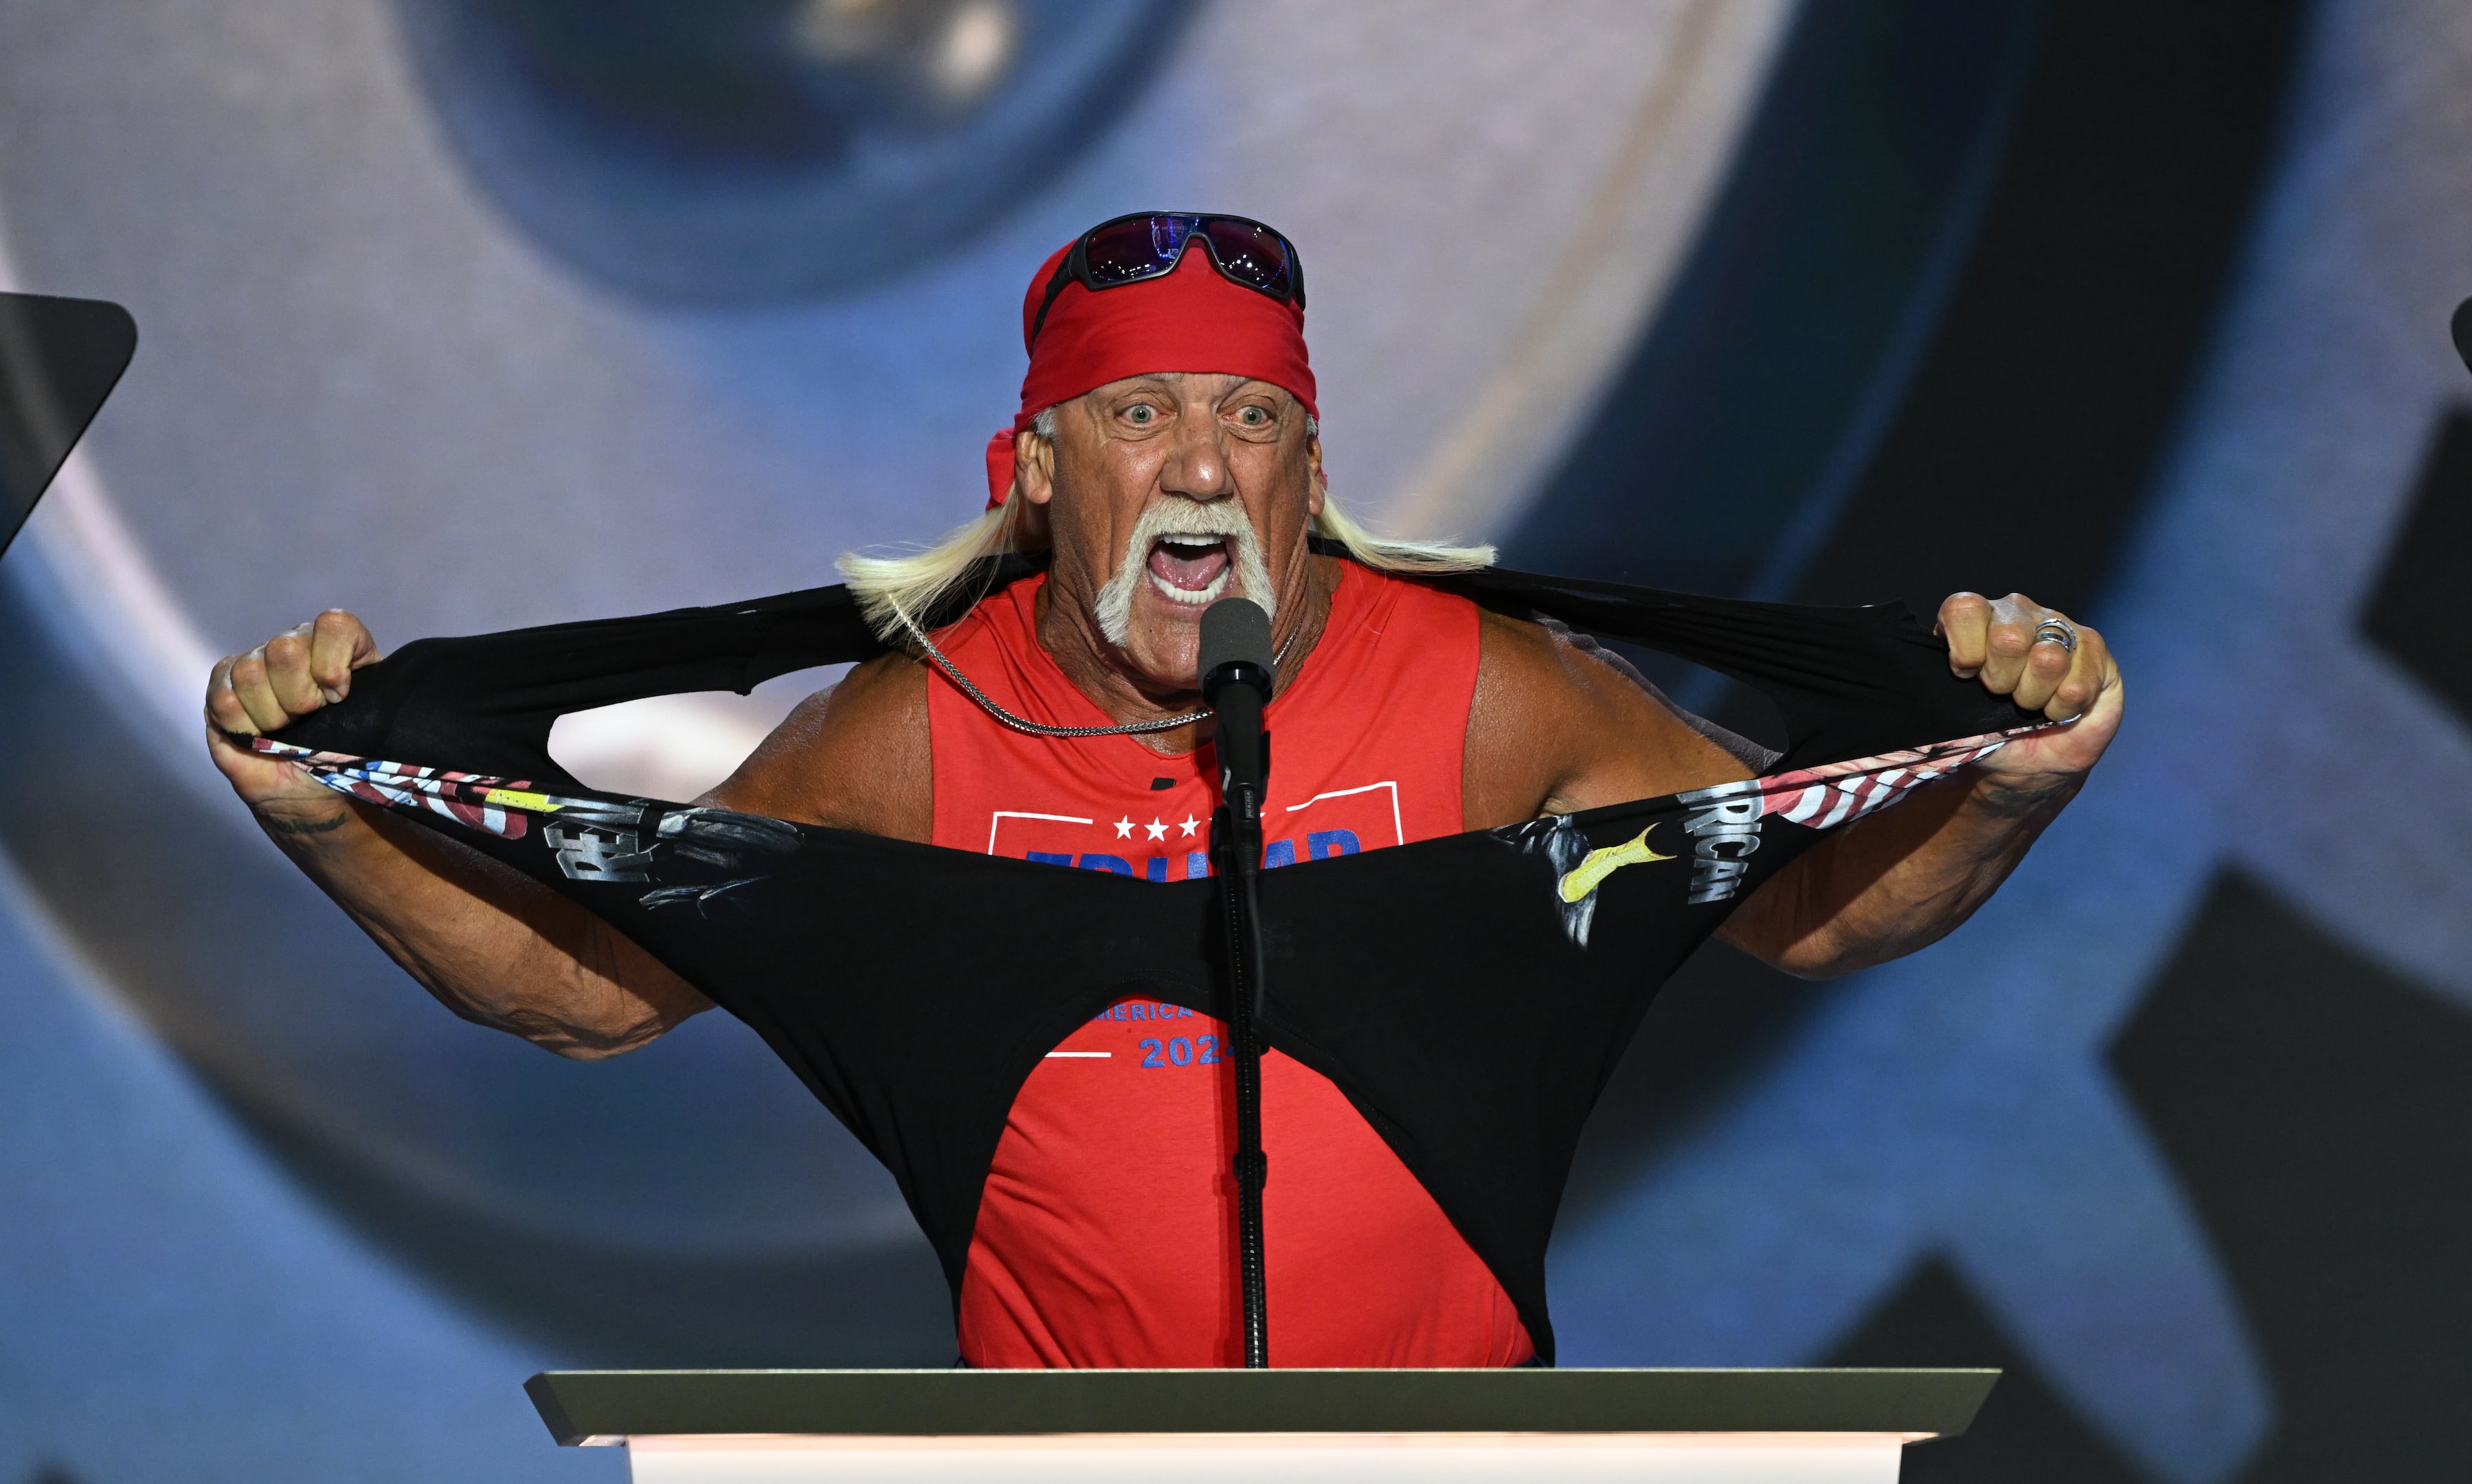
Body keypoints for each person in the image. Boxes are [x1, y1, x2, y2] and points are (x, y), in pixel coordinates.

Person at [205, 212, 2121, 1368]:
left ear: (1307, 470)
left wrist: (2017, 786)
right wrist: (320, 817)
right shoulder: (919, 723)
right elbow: (588, 998)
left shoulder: (1484, 689)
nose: (1203, 466)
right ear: (1042, 471)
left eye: (1254, 419)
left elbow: (1806, 904)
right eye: (1142, 416)